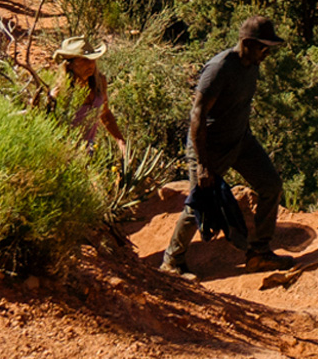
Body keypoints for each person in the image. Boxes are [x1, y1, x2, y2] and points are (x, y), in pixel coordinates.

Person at [159, 15, 294, 278]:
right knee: (199, 201)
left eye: (269, 48)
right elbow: (197, 115)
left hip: (241, 140)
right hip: (210, 147)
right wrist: (203, 164)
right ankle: (171, 262)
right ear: (246, 42)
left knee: (271, 185)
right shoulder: (219, 68)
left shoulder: (252, 64)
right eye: (263, 47)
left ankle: (259, 253)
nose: (267, 53)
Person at [52, 37, 130, 162]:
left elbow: (105, 114)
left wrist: (121, 142)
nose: (91, 64)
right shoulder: (60, 93)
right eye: (84, 60)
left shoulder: (99, 82)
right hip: (65, 155)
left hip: (89, 152)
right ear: (70, 65)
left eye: (92, 60)